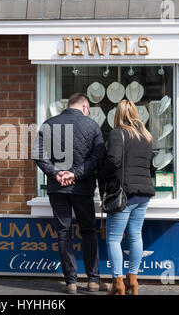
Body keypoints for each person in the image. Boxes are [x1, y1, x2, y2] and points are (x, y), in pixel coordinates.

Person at [32, 92, 108, 294]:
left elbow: (38, 154)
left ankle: (71, 282)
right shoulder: (92, 125)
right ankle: (93, 280)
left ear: (68, 105)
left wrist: (56, 173)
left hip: (58, 189)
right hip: (82, 188)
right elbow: (97, 157)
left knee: (64, 233)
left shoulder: (49, 124)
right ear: (85, 107)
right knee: (88, 232)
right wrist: (76, 174)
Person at [98, 99, 155, 295]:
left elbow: (113, 160)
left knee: (113, 239)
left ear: (118, 114)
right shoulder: (146, 135)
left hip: (124, 195)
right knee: (135, 236)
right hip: (144, 194)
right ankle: (133, 281)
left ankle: (118, 283)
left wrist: (102, 175)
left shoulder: (117, 133)